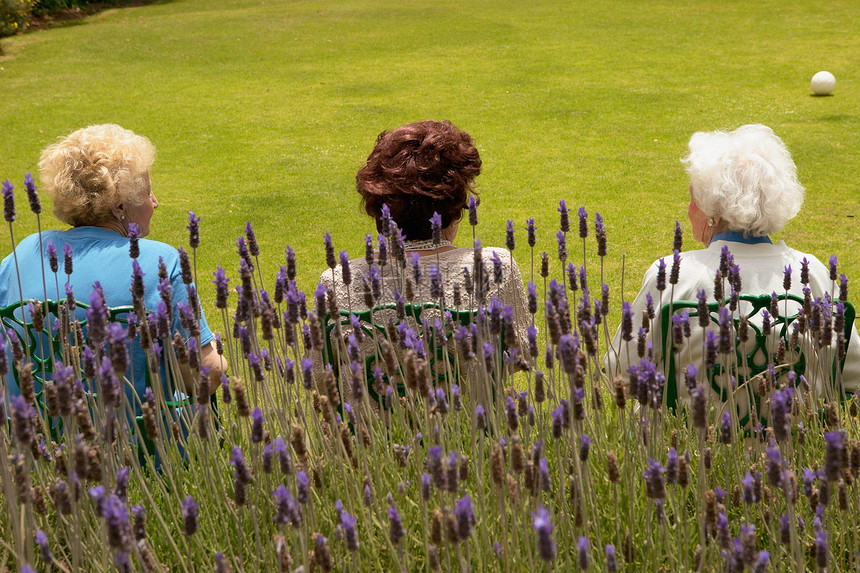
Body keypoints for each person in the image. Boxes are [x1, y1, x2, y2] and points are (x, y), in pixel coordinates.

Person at [607, 124, 860, 415]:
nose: (689, 208)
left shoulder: (673, 275)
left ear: (713, 213)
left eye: (693, 198)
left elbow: (622, 373)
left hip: (690, 453)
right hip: (796, 451)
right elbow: (851, 376)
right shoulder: (814, 274)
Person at [0, 124, 226, 407]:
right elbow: (204, 377)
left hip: (36, 439)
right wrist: (214, 348)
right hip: (136, 442)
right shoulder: (162, 262)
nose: (155, 203)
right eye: (147, 193)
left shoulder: (25, 251)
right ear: (119, 207)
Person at [319, 120, 530, 373]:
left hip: (376, 413)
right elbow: (520, 357)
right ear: (454, 209)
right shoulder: (494, 267)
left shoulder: (337, 282)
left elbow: (322, 377)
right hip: (471, 412)